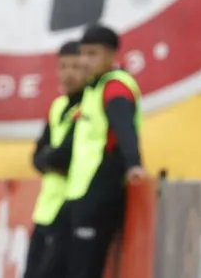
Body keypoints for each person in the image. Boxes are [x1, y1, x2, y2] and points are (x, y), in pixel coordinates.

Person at [41, 24, 146, 278]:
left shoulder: (115, 87)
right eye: (83, 54)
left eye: (93, 54)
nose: (85, 61)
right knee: (52, 268)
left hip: (99, 192)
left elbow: (124, 128)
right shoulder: (93, 89)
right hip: (78, 192)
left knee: (84, 270)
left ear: (111, 55)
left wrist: (134, 163)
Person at [23, 41, 86, 278]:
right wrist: (50, 158)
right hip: (46, 208)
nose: (68, 73)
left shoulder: (89, 105)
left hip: (70, 208)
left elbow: (63, 157)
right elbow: (36, 158)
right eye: (63, 67)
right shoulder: (58, 106)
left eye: (76, 67)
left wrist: (50, 158)